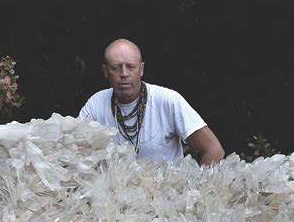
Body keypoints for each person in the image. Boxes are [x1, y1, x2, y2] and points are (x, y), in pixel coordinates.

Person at [78, 39, 224, 165]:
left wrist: (195, 193)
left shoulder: (167, 100)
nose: (124, 74)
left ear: (141, 69)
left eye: (130, 67)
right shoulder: (95, 104)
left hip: (166, 194)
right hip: (115, 194)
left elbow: (214, 150)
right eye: (116, 68)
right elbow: (73, 149)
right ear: (105, 72)